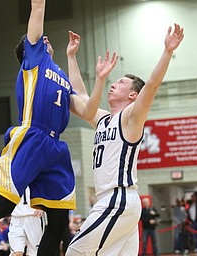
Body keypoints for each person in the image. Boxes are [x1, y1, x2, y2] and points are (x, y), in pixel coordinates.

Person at [0, 0, 118, 255]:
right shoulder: (34, 60)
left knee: (59, 221)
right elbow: (37, 7)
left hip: (54, 146)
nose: (46, 38)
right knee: (2, 208)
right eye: (41, 39)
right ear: (30, 49)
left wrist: (100, 80)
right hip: (32, 137)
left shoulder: (60, 75)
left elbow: (88, 111)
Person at [64, 24, 184, 256]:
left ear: (132, 95)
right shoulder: (102, 119)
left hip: (118, 198)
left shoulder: (130, 117)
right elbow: (81, 96)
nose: (112, 84)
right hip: (113, 201)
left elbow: (151, 87)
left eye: (119, 83)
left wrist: (167, 52)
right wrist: (71, 56)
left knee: (75, 251)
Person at [8, 187, 46, 256]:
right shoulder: (9, 176)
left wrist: (43, 206)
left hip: (34, 216)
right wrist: (1, 215)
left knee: (33, 253)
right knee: (16, 253)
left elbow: (48, 186)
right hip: (16, 217)